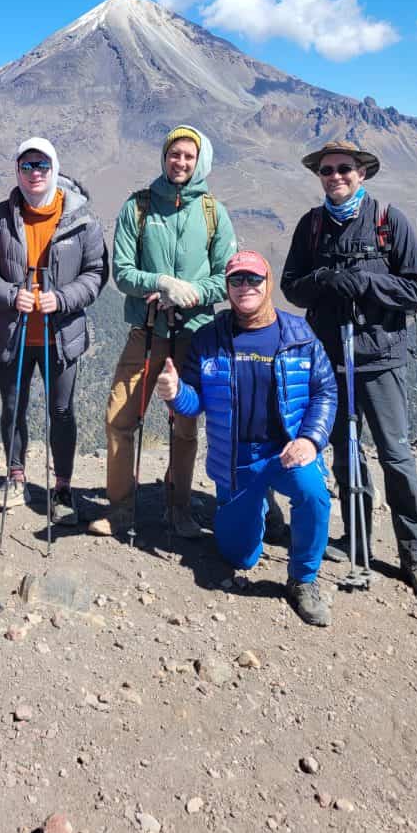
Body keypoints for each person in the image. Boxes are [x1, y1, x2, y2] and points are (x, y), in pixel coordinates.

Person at [280, 140, 417, 598]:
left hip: (380, 358)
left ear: (361, 173)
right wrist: (323, 280)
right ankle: (357, 539)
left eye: (344, 169)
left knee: (396, 456)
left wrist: (367, 283)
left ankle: (415, 555)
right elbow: (292, 286)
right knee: (345, 454)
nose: (335, 176)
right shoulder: (312, 226)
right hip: (330, 359)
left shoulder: (389, 221)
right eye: (327, 170)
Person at [155, 250, 337, 626]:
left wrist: (311, 440)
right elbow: (194, 403)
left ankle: (303, 579)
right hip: (237, 460)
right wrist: (174, 393)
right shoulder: (209, 339)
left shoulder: (299, 335)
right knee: (240, 557)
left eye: (254, 279)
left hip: (286, 452)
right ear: (227, 287)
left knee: (314, 494)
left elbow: (325, 391)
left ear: (267, 283)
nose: (245, 287)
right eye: (236, 280)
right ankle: (259, 508)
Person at [90, 125, 237, 539]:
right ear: (164, 156)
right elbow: (122, 272)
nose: (181, 162)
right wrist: (160, 282)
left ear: (199, 161)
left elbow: (228, 276)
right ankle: (120, 510)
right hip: (147, 331)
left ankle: (179, 508)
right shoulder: (138, 207)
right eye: (175, 154)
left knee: (184, 425)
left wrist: (192, 292)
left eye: (189, 156)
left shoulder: (213, 212)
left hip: (194, 335)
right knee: (120, 418)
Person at [0, 137, 107, 525]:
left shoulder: (81, 220)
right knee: (13, 408)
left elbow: (96, 273)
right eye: (27, 165)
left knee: (61, 411)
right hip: (14, 335)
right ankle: (16, 479)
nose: (34, 173)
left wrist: (61, 299)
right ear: (17, 170)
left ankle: (62, 488)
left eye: (42, 165)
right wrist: (10, 295)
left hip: (60, 336)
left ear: (54, 168)